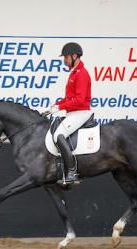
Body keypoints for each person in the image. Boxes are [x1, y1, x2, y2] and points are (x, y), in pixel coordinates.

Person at [51, 42, 93, 184]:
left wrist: (62, 107)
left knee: (58, 135)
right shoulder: (74, 72)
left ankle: (72, 171)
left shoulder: (81, 74)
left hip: (80, 112)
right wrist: (58, 105)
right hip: (73, 112)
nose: (64, 60)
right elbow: (70, 98)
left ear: (75, 56)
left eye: (66, 57)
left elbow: (80, 100)